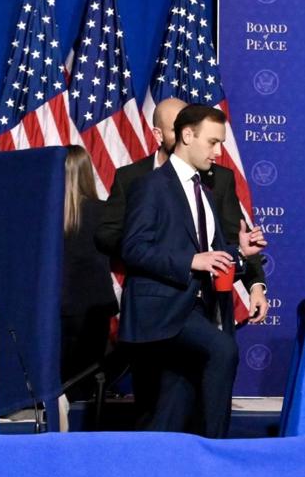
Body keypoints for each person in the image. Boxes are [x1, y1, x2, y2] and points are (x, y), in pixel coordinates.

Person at [116, 104, 244, 436]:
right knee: (222, 350)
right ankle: (216, 449)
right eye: (213, 142)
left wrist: (241, 251)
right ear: (187, 135)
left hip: (197, 309)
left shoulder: (206, 193)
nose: (218, 152)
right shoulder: (151, 186)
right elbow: (133, 248)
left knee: (173, 405)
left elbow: (214, 253)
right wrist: (190, 260)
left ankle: (169, 459)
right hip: (160, 311)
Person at [58, 146, 118, 386]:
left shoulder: (44, 215)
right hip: (94, 308)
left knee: (58, 380)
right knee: (85, 381)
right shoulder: (103, 213)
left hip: (56, 308)